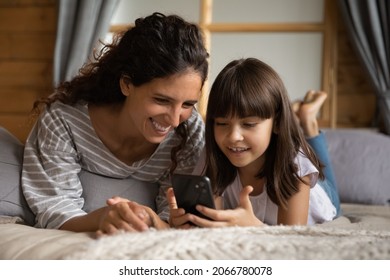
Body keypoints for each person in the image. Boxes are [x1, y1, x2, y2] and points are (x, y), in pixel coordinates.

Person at [21, 12, 209, 235]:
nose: (175, 119)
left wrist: (149, 219)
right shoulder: (64, 120)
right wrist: (104, 217)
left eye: (187, 104)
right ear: (127, 84)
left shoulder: (190, 131)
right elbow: (54, 209)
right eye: (161, 100)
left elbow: (179, 218)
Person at [168, 58, 340, 228]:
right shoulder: (213, 154)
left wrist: (254, 228)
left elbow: (291, 239)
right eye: (221, 123)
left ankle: (308, 121)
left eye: (249, 124)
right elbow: (211, 224)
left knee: (322, 177)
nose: (233, 136)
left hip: (322, 196)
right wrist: (187, 223)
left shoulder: (297, 167)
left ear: (277, 123)